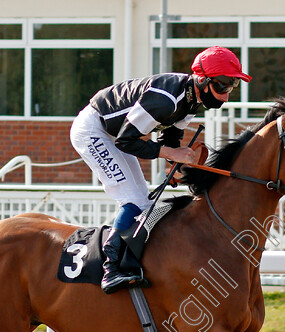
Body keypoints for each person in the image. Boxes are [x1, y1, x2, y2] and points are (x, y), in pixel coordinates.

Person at [70, 46, 251, 294]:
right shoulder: (166, 100)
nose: (225, 96)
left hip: (116, 132)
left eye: (231, 87)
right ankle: (110, 270)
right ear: (202, 80)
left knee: (142, 201)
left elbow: (170, 139)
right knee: (132, 199)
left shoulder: (190, 101)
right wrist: (171, 154)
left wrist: (174, 166)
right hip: (95, 131)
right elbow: (126, 141)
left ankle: (129, 263)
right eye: (222, 86)